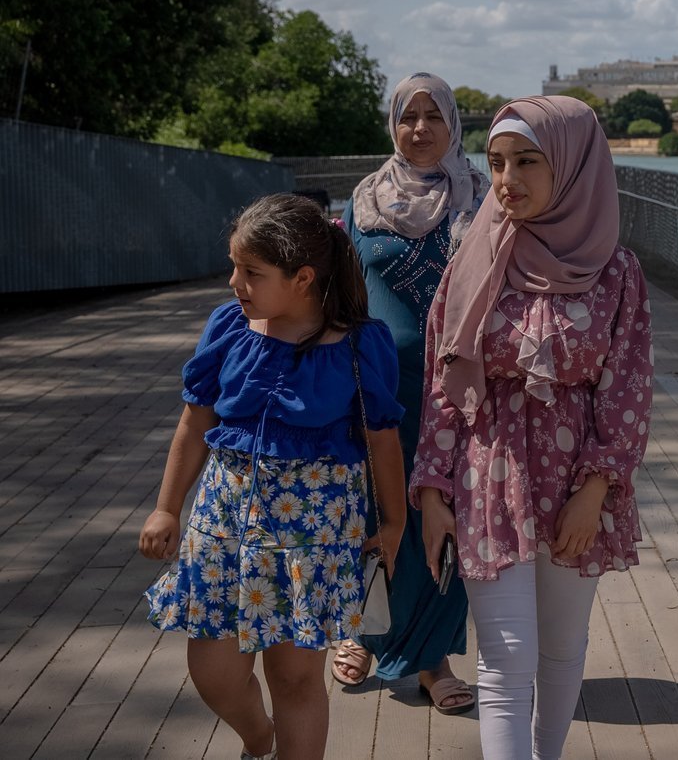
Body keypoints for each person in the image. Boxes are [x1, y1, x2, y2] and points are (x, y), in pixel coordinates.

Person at [412, 95, 651, 760]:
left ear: (572, 167)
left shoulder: (617, 273)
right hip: (491, 475)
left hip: (579, 483)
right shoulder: (471, 263)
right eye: (495, 163)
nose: (507, 177)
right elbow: (441, 383)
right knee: (505, 658)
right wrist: (433, 491)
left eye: (526, 161)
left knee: (560, 650)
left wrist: (599, 488)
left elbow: (628, 388)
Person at [139, 193, 407, 760]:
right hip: (224, 523)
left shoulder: (359, 346)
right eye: (235, 267)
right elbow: (194, 422)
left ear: (302, 278)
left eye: (251, 272)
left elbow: (383, 441)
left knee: (295, 678)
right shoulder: (229, 328)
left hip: (313, 533)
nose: (235, 282)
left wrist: (394, 521)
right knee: (212, 669)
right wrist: (167, 506)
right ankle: (258, 736)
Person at [333, 72, 488, 714]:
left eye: (433, 115)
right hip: (376, 388)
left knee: (445, 513)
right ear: (391, 125)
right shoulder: (362, 202)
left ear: (454, 123)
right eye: (408, 116)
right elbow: (337, 294)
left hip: (459, 391)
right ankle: (364, 630)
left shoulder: (482, 199)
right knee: (373, 508)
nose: (420, 128)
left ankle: (431, 659)